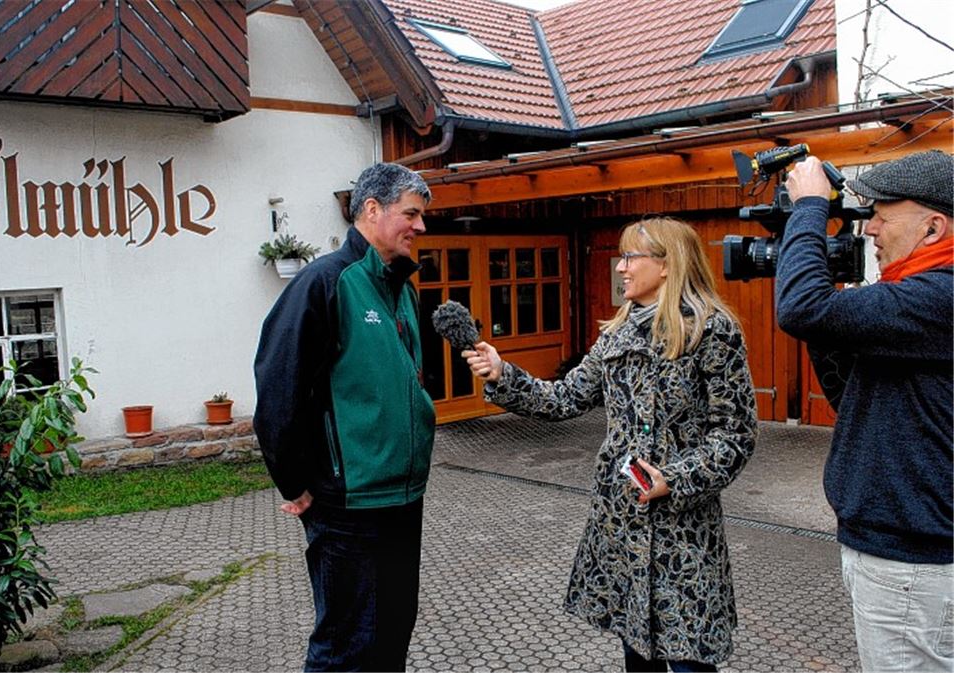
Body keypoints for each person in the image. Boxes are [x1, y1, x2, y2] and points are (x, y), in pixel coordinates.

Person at [463, 217, 758, 672]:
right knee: (636, 653)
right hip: (622, 522)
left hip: (683, 530)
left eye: (629, 257)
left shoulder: (710, 331)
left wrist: (674, 479)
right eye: (620, 258)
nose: (620, 268)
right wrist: (504, 374)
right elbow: (563, 398)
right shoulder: (616, 334)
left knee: (690, 657)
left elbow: (736, 433)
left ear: (666, 264)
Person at [253, 162, 436, 671]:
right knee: (346, 645)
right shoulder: (325, 281)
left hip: (402, 495)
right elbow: (278, 385)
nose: (420, 226)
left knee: (392, 632)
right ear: (372, 209)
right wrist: (294, 482)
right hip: (348, 501)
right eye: (411, 214)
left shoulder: (401, 287)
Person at [776, 150, 953, 672]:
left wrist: (809, 208)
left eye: (881, 215)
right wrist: (838, 325)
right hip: (908, 552)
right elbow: (853, 399)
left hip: (912, 560)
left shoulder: (938, 295)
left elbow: (801, 308)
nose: (869, 228)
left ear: (933, 228)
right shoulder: (916, 299)